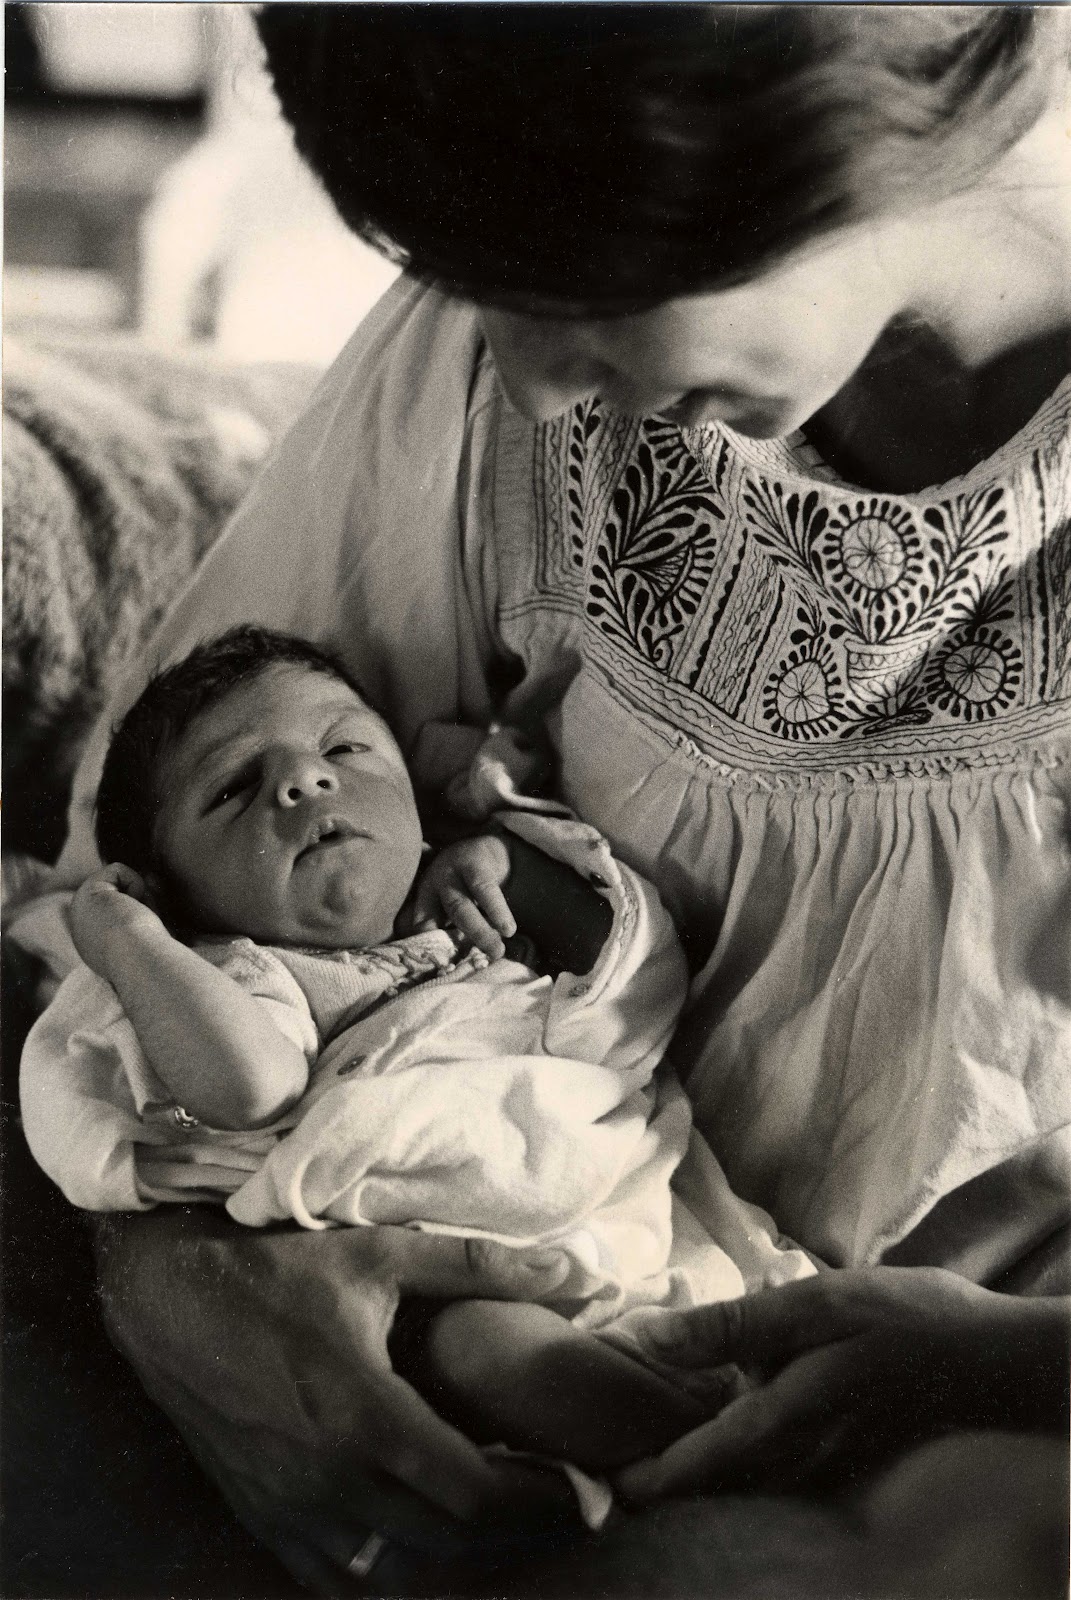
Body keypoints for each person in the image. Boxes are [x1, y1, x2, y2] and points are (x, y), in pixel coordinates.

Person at [34, 4, 1070, 1593]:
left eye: (569, 294)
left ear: (831, 115)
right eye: (475, 287)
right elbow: (154, 847)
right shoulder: (493, 373)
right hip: (460, 1282)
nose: (519, 388)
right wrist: (170, 1273)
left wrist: (1017, 1374)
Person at [22, 624, 814, 1489]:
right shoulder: (248, 973)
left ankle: (735, 1448)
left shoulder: (475, 915)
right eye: (235, 789)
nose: (303, 780)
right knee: (493, 1351)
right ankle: (709, 1465)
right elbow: (250, 1088)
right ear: (172, 895)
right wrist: (129, 940)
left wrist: (507, 863)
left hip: (599, 1192)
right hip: (451, 1257)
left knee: (755, 1322)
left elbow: (633, 980)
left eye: (343, 748)